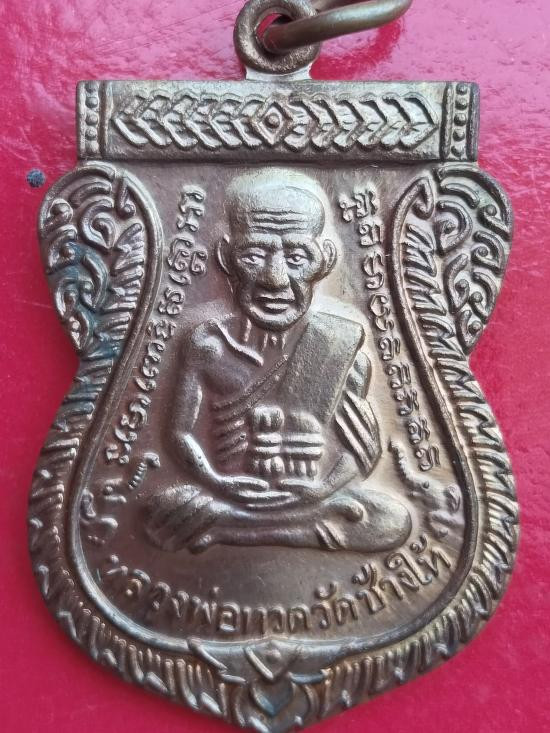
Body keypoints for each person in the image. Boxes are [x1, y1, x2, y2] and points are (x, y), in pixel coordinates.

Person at [144, 169, 411, 553]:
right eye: (253, 255)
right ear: (226, 258)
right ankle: (260, 526)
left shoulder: (338, 343)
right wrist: (218, 483)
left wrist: (320, 490)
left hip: (308, 500)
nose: (275, 278)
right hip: (229, 493)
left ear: (325, 260)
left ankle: (234, 532)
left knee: (390, 519)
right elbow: (180, 434)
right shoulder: (208, 344)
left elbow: (360, 451)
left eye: (297, 256)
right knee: (159, 507)